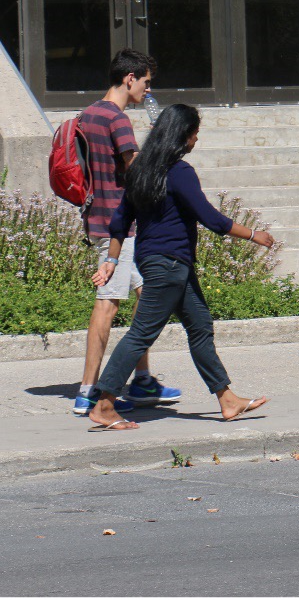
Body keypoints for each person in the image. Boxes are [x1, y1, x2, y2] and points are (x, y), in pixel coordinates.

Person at [83, 105, 275, 431]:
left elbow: (120, 223)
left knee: (199, 326)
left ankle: (227, 399)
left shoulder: (141, 170)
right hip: (170, 264)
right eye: (194, 132)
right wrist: (255, 235)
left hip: (162, 262)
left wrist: (112, 260)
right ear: (182, 135)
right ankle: (103, 404)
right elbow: (211, 218)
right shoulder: (179, 172)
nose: (196, 139)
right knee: (141, 334)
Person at [73, 48, 180, 418]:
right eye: (146, 83)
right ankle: (88, 391)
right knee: (107, 303)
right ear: (129, 78)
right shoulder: (118, 119)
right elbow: (137, 173)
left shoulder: (87, 115)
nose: (147, 92)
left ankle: (144, 379)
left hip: (99, 217)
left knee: (145, 297)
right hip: (119, 227)